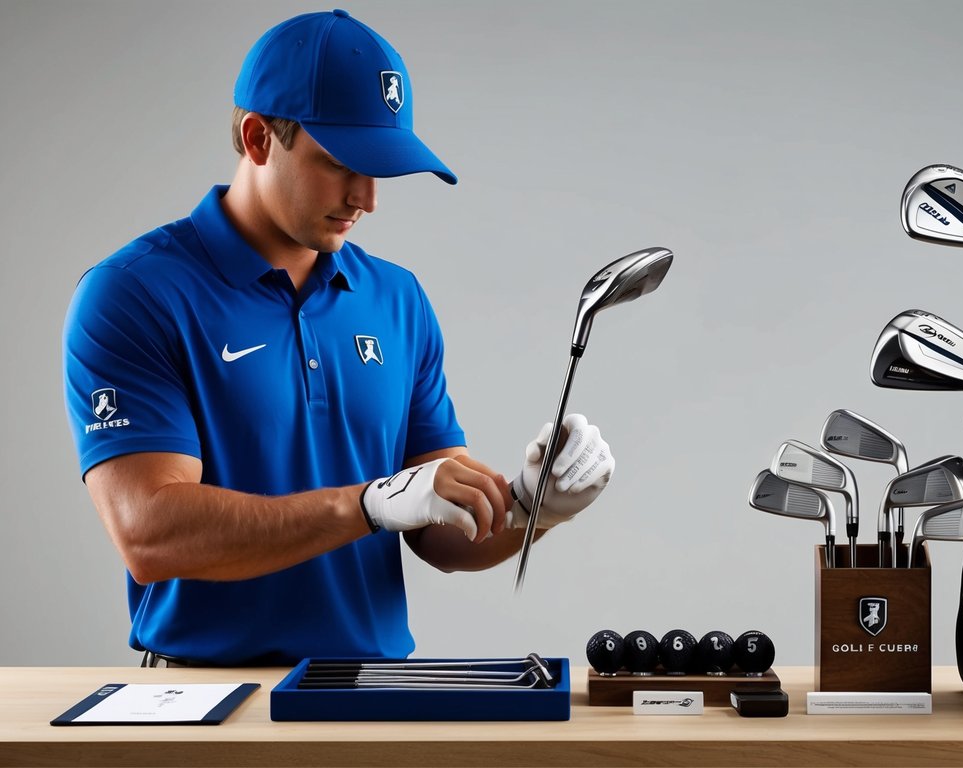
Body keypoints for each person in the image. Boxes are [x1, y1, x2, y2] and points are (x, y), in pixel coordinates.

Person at [62, 9, 615, 667]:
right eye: (341, 163)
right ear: (259, 137)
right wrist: (369, 504)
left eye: (381, 169)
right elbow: (151, 535)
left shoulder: (397, 299)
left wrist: (532, 507)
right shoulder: (135, 293)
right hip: (206, 693)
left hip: (374, 691)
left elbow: (439, 534)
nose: (366, 199)